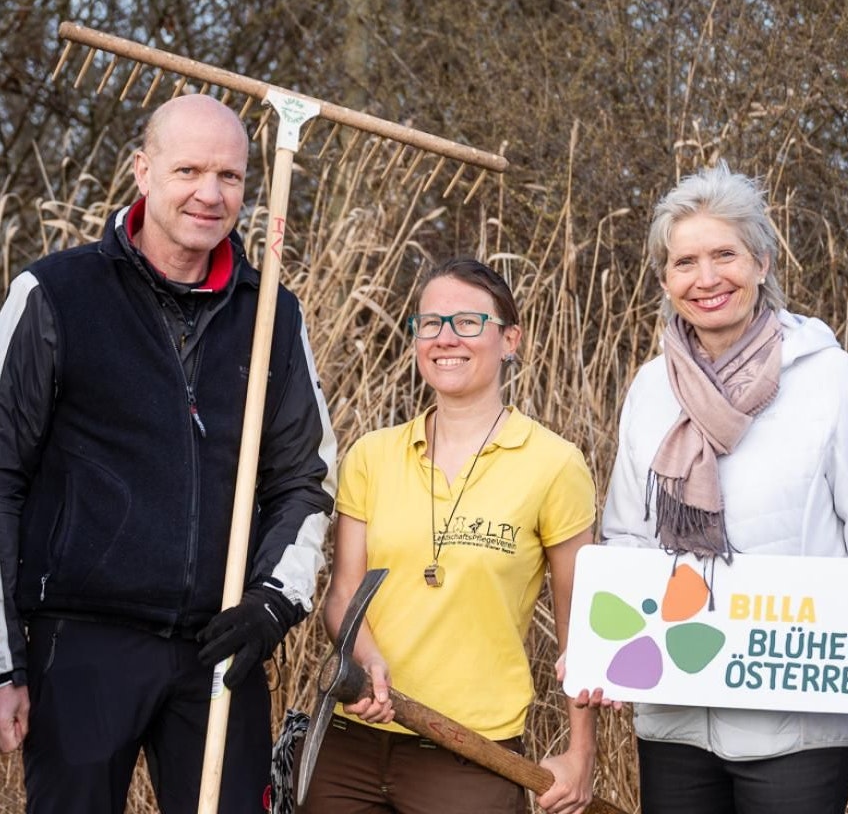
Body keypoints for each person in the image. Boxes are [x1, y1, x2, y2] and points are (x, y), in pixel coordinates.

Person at [0, 93, 336, 812]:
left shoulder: (271, 313)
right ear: (142, 171)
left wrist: (273, 603)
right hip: (81, 644)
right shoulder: (54, 294)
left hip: (219, 648)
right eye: (188, 170)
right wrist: (4, 663)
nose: (210, 194)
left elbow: (305, 478)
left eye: (230, 176)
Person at [596, 164, 848, 814]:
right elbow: (627, 537)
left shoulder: (825, 377)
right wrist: (606, 649)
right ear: (665, 281)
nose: (706, 278)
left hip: (796, 719)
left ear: (761, 262)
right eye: (684, 262)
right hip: (675, 713)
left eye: (724, 255)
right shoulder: (650, 388)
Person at [307, 258, 597, 814]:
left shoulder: (554, 465)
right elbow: (343, 596)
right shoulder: (371, 455)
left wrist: (580, 753)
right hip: (351, 747)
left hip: (472, 754)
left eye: (467, 322)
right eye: (430, 323)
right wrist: (367, 660)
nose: (445, 338)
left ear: (510, 340)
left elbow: (581, 625)